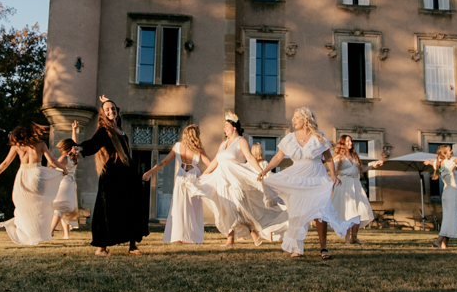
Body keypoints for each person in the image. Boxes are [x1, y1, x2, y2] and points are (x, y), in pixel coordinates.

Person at [257, 107, 356, 259]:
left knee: (320, 213)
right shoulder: (290, 138)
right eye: (293, 118)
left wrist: (333, 175)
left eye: (297, 117)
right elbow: (278, 157)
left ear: (305, 119)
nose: (293, 120)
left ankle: (323, 248)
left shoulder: (319, 136)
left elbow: (328, 158)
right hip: (297, 179)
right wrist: (265, 171)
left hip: (317, 178)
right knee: (296, 212)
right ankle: (297, 248)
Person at [193, 114, 287, 247]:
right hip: (222, 180)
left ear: (234, 127)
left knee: (238, 207)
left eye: (226, 126)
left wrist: (261, 171)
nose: (224, 128)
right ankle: (230, 239)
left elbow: (249, 157)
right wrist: (204, 174)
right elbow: (215, 161)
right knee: (226, 208)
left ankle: (253, 232)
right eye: (224, 126)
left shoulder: (241, 141)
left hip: (235, 181)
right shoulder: (223, 144)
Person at [75, 97, 149, 256]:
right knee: (107, 208)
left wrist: (108, 101)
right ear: (102, 113)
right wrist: (79, 148)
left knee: (132, 206)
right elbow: (93, 144)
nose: (110, 111)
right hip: (113, 174)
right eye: (107, 109)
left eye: (113, 108)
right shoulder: (104, 131)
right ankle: (101, 247)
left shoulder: (119, 128)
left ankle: (132, 245)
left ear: (117, 110)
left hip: (128, 172)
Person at [0, 123, 66, 247]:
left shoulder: (17, 146)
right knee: (38, 206)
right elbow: (52, 160)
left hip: (23, 174)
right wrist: (63, 169)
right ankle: (38, 235)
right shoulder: (40, 144)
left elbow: (5, 163)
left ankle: (27, 235)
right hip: (37, 174)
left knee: (22, 206)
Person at [143, 124, 206, 244]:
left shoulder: (177, 146)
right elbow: (209, 163)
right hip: (194, 176)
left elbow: (164, 161)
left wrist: (150, 172)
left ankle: (179, 236)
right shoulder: (198, 148)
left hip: (181, 175)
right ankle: (193, 236)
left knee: (179, 206)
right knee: (194, 208)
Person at [330, 135, 374, 244]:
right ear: (343, 143)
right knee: (348, 211)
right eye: (348, 141)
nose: (350, 143)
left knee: (361, 209)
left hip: (356, 184)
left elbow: (359, 171)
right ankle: (347, 239)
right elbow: (331, 170)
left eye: (351, 141)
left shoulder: (354, 156)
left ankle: (354, 237)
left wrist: (373, 166)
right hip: (344, 185)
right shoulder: (338, 157)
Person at [424, 146, 457, 249]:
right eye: (450, 150)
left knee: (447, 217)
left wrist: (428, 162)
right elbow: (454, 162)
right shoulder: (449, 162)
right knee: (450, 217)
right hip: (452, 192)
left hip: (445, 193)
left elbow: (434, 163)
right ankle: (438, 241)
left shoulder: (439, 164)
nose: (452, 151)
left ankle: (444, 244)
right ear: (445, 154)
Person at [51, 133, 81, 239]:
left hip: (63, 183)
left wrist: (55, 170)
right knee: (65, 210)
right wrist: (74, 129)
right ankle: (66, 234)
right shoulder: (75, 157)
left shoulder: (65, 158)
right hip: (71, 185)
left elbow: (54, 164)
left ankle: (51, 230)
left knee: (58, 208)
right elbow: (75, 143)